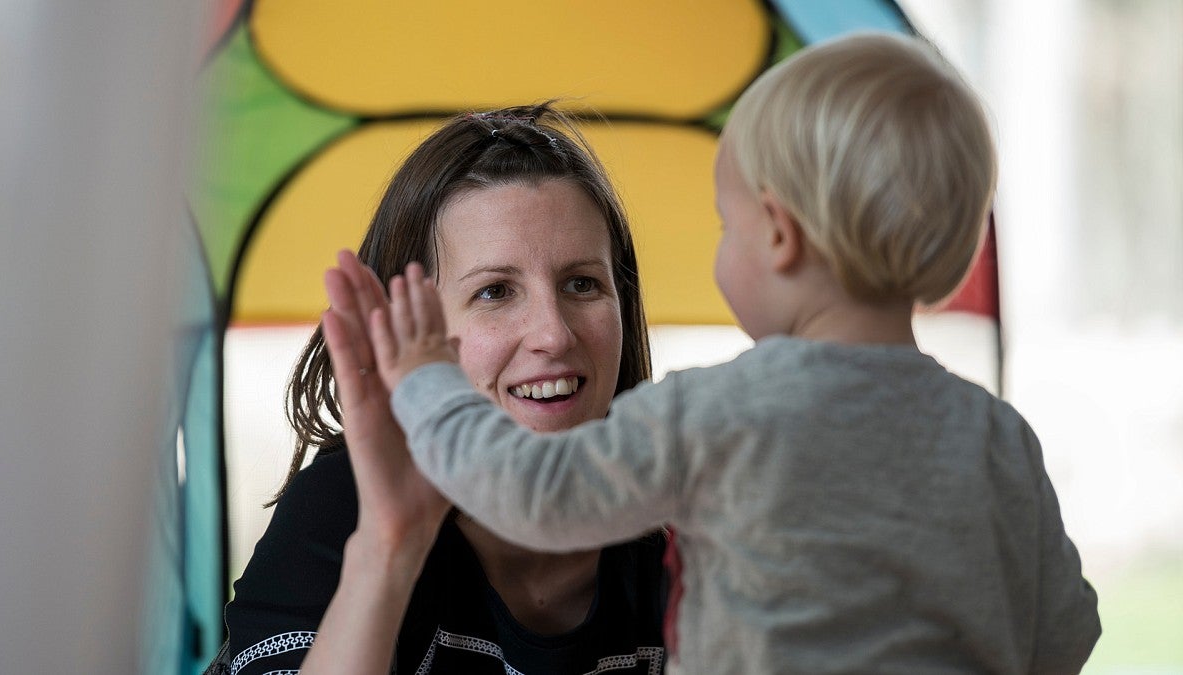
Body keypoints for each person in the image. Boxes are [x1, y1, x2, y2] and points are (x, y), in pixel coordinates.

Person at [343, 32, 1102, 674]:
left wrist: (425, 383)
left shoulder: (718, 413)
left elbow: (534, 492)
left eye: (724, 225)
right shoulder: (998, 437)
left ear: (777, 234)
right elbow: (1065, 634)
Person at [217, 104, 669, 675]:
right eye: (495, 292)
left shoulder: (688, 538)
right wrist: (388, 549)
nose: (553, 334)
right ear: (414, 333)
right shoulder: (341, 510)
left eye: (582, 283)